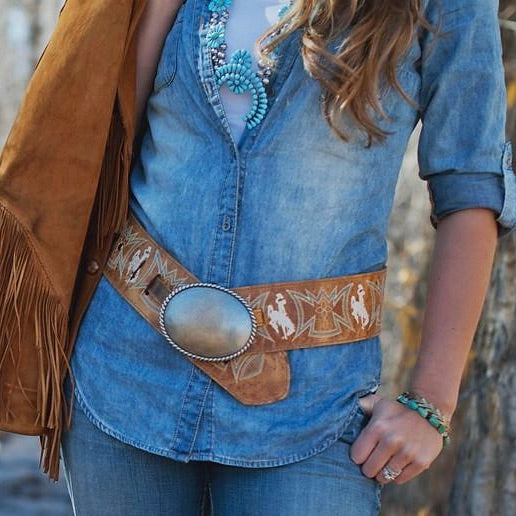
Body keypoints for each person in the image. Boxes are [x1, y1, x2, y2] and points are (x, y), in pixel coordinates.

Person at [2, 0, 515, 514]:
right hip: (125, 374)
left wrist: (431, 404)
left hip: (313, 407)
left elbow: (470, 190)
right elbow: (110, 134)